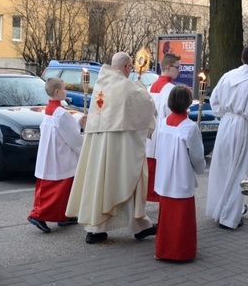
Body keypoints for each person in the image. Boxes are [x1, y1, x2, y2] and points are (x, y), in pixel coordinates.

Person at [65, 52, 157, 244]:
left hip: (99, 145)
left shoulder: (101, 82)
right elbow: (147, 103)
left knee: (99, 182)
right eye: (130, 67)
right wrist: (141, 87)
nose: (130, 71)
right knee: (130, 179)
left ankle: (97, 229)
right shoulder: (125, 86)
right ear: (126, 67)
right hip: (120, 145)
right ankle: (138, 225)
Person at [206, 45, 248, 230]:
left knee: (223, 167)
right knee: (239, 170)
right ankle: (229, 217)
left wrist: (226, 113)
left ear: (242, 58)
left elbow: (214, 101)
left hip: (226, 124)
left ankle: (219, 208)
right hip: (242, 127)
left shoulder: (228, 76)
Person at [153, 85, 206, 262]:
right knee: (182, 218)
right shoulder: (189, 128)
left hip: (165, 176)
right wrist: (200, 169)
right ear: (188, 103)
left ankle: (163, 250)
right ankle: (181, 252)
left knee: (167, 217)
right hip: (180, 177)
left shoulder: (163, 123)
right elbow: (197, 156)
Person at [28, 77, 85, 233]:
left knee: (62, 188)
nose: (66, 91)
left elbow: (65, 124)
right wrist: (86, 142)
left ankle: (64, 216)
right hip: (60, 156)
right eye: (64, 88)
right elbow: (73, 138)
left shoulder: (50, 109)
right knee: (57, 190)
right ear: (58, 91)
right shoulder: (60, 113)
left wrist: (79, 119)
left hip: (51, 154)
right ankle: (38, 215)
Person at [146, 52, 181, 203]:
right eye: (177, 67)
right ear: (168, 67)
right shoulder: (171, 90)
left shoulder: (149, 88)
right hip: (163, 137)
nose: (179, 71)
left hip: (148, 138)